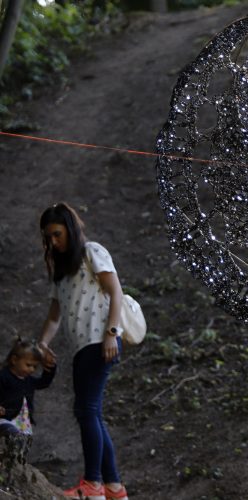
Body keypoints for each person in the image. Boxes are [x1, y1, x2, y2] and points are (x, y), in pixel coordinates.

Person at [38, 202, 128, 500]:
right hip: (81, 347)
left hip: (100, 341)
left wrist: (112, 333)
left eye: (57, 234)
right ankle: (114, 488)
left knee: (86, 409)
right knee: (91, 412)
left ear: (70, 229)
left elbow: (115, 291)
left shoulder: (92, 251)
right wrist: (43, 343)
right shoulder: (61, 272)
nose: (53, 242)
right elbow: (54, 315)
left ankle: (93, 484)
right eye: (48, 237)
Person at [0, 338, 56, 465]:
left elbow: (43, 383)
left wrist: (50, 368)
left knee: (24, 441)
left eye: (35, 367)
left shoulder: (28, 380)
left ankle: (17, 462)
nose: (31, 369)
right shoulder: (4, 376)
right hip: (5, 417)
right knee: (12, 434)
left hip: (23, 420)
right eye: (28, 365)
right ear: (14, 360)